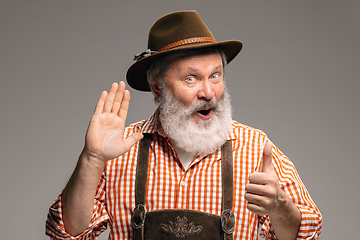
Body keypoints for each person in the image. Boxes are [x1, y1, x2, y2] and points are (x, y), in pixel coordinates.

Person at [45, 10, 322, 240]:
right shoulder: (118, 151)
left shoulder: (255, 149)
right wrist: (92, 159)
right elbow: (66, 234)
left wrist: (279, 205)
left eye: (215, 76)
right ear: (157, 87)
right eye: (191, 78)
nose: (209, 92)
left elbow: (307, 233)